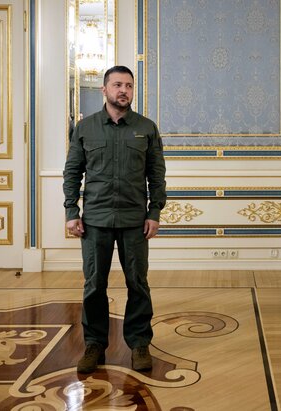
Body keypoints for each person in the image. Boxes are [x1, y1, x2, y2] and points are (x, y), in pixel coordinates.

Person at [63, 65, 167, 373]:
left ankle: (139, 344)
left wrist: (154, 213)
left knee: (138, 283)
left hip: (135, 220)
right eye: (118, 85)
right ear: (104, 89)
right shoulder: (85, 128)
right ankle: (94, 344)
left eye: (129, 86)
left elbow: (156, 175)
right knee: (94, 285)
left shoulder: (146, 128)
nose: (124, 90)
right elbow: (72, 172)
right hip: (95, 220)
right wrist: (71, 211)